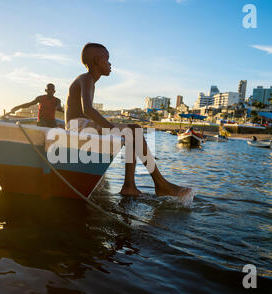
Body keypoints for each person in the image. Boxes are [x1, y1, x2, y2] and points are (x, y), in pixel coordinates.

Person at [65, 42, 193, 199]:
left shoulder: (87, 79)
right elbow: (88, 110)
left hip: (78, 125)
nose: (110, 64)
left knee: (133, 131)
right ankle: (158, 184)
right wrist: (111, 128)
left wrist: (111, 127)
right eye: (107, 59)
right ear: (98, 60)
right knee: (134, 130)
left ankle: (130, 186)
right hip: (76, 127)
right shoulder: (87, 79)